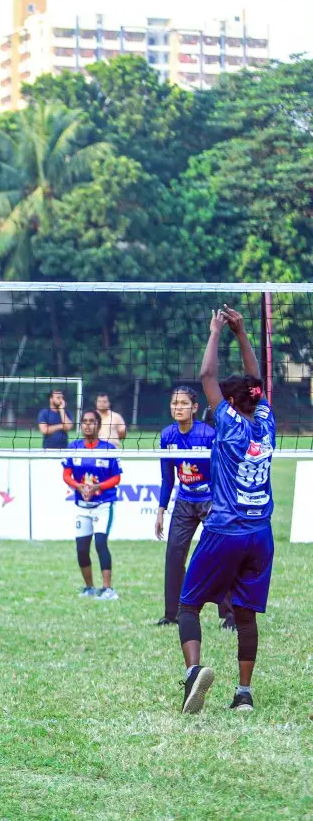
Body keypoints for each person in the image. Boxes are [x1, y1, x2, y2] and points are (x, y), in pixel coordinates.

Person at [178, 306, 273, 714]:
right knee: (246, 616)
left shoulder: (230, 423)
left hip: (225, 531)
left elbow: (206, 376)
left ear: (229, 402)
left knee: (188, 605)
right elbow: (256, 383)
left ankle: (193, 672)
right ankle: (244, 693)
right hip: (261, 534)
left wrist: (216, 331)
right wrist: (243, 333)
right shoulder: (266, 421)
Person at [155, 386, 233, 629]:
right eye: (174, 403)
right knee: (174, 554)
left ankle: (230, 615)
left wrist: (222, 505)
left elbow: (221, 473)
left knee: (220, 554)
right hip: (184, 500)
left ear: (195, 407)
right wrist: (161, 510)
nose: (178, 407)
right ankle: (172, 614)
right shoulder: (167, 435)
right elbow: (168, 478)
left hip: (210, 499)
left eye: (183, 403)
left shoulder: (208, 434)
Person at [64, 409, 122, 600]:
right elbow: (66, 475)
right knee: (81, 549)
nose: (87, 425)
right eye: (84, 421)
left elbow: (116, 478)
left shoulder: (108, 449)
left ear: (98, 425)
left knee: (100, 543)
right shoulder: (74, 447)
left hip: (103, 505)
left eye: (91, 421)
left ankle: (107, 589)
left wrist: (98, 486)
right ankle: (89, 587)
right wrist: (78, 486)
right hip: (82, 506)